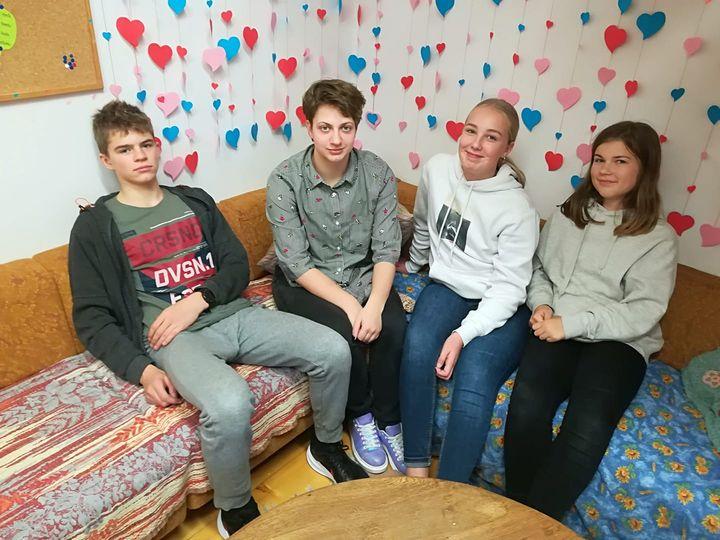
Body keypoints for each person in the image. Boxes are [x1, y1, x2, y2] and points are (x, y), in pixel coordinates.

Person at [68, 101, 367, 538]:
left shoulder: (193, 201)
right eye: (125, 149)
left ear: (157, 146)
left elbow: (235, 264)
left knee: (333, 349)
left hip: (231, 313)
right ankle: (236, 508)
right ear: (106, 160)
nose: (140, 156)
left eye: (146, 144)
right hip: (172, 338)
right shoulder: (95, 227)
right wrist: (141, 369)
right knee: (229, 403)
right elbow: (91, 316)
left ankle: (325, 446)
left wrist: (198, 299)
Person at [503, 121, 678, 521]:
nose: (605, 169)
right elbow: (539, 270)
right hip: (557, 327)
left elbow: (643, 310)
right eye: (599, 159)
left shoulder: (659, 237)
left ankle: (534, 524)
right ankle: (516, 513)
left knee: (586, 426)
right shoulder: (569, 214)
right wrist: (542, 304)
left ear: (645, 168)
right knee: (527, 406)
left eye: (620, 161)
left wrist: (571, 324)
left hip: (619, 342)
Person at [266, 79, 407, 474]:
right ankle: (360, 416)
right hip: (306, 282)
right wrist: (350, 305)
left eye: (345, 128)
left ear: (356, 127)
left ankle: (389, 420)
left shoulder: (377, 172)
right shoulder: (284, 179)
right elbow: (296, 262)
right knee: (345, 333)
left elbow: (386, 248)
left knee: (393, 328)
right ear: (308, 127)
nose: (336, 139)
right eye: (325, 127)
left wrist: (374, 304)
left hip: (364, 273)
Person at [398, 98, 539, 483]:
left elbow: (509, 289)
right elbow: (424, 224)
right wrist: (414, 263)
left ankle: (451, 491)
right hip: (448, 286)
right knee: (417, 347)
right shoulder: (437, 169)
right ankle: (415, 472)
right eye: (471, 131)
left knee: (474, 376)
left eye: (491, 137)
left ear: (507, 148)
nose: (475, 144)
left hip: (499, 301)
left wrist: (462, 335)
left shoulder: (518, 210)